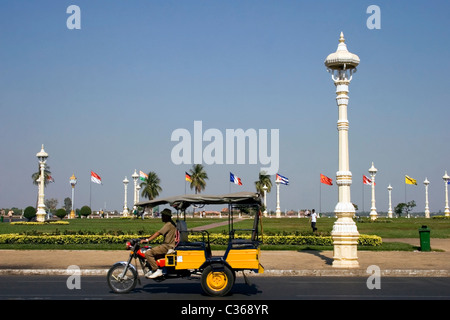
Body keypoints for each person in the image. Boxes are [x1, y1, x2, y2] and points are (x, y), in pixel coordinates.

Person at [140, 208, 177, 279]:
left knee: (148, 253)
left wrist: (147, 240)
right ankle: (154, 268)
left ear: (166, 216)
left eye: (163, 215)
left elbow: (158, 233)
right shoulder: (170, 223)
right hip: (168, 245)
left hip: (167, 246)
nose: (162, 217)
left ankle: (156, 270)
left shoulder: (168, 224)